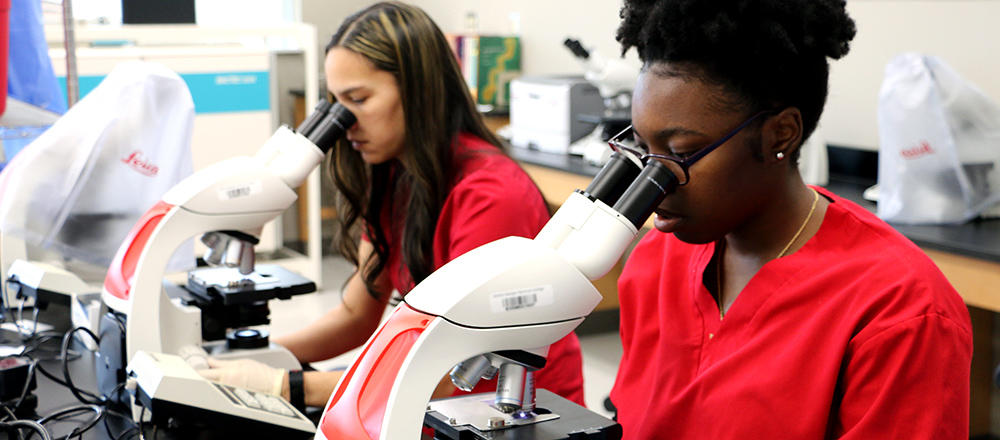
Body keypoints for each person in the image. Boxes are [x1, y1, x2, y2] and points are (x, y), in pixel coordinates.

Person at [609, 0, 973, 438]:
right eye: (642, 148)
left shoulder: (900, 310)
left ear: (781, 134)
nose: (655, 182)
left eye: (683, 153)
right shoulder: (655, 260)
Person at [200, 1, 585, 410]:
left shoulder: (491, 195)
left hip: (511, 411)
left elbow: (453, 375)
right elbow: (355, 314)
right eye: (336, 104)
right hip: (435, 399)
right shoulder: (396, 175)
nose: (345, 124)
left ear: (418, 92)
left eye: (359, 99)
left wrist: (287, 385)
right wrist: (256, 357)